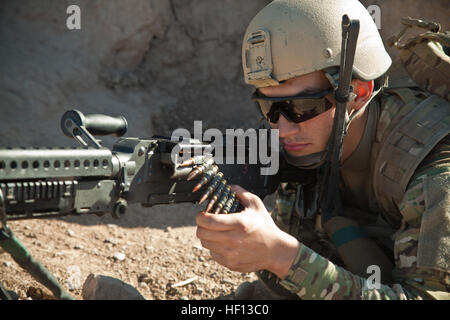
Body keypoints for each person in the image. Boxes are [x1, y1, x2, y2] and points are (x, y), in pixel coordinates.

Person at [195, 0, 450, 300]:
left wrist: (282, 256)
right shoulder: (309, 149)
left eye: (302, 106)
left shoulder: (435, 171)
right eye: (269, 107)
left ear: (357, 93)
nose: (283, 128)